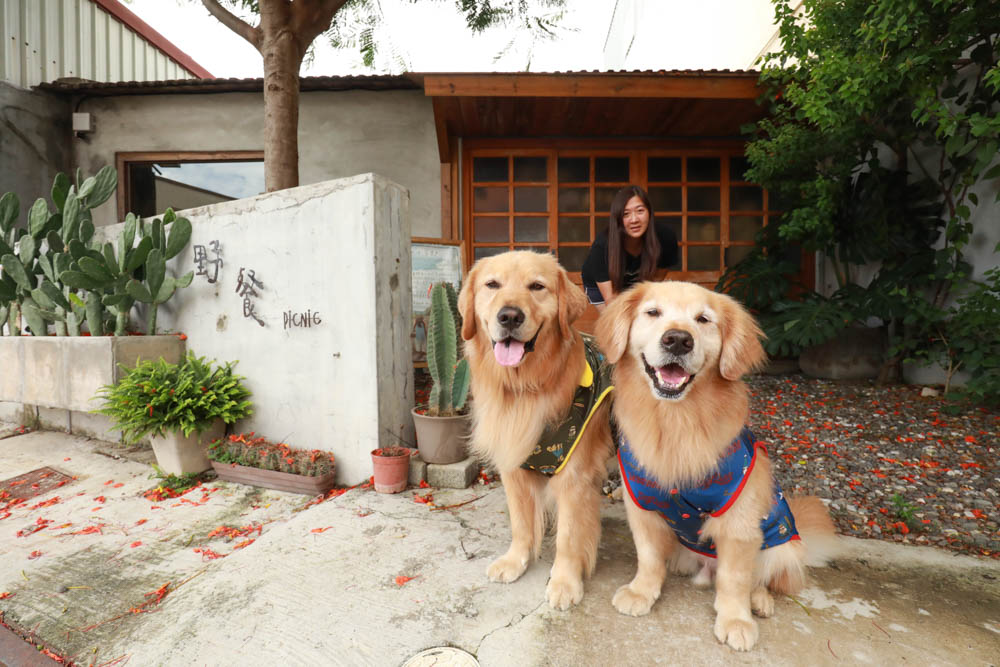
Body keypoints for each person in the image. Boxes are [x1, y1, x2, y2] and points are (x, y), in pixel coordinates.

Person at [581, 185, 679, 310]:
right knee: (616, 322)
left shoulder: (665, 238)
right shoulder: (602, 246)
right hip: (602, 286)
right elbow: (612, 301)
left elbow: (654, 284)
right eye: (626, 214)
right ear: (618, 219)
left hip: (638, 280)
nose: (634, 220)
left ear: (649, 212)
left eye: (640, 211)